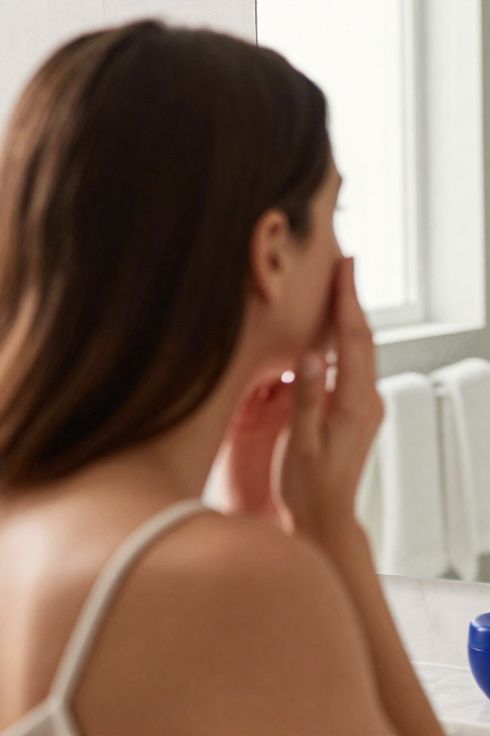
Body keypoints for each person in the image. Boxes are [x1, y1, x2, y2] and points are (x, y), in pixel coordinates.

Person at [0, 20, 444, 735]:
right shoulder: (230, 588)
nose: (341, 251)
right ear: (272, 251)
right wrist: (331, 532)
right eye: (338, 211)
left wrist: (250, 514)